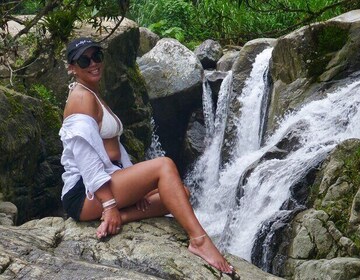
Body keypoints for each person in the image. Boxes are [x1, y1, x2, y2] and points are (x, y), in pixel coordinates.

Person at [59, 37, 233, 274]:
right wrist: (109, 205)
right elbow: (85, 158)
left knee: (180, 193)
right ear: (72, 67)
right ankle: (199, 241)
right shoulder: (81, 98)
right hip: (85, 193)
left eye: (97, 56)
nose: (93, 63)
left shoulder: (93, 93)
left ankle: (123, 215)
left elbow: (116, 151)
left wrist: (137, 187)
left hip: (108, 181)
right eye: (84, 60)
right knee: (164, 166)